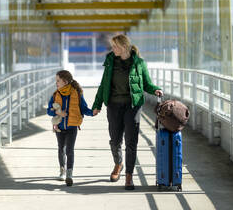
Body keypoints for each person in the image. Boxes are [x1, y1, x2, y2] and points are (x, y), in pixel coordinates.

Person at [92, 34, 163, 190]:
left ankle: (129, 176)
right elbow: (103, 85)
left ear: (123, 47)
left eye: (115, 46)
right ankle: (118, 164)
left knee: (131, 142)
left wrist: (155, 89)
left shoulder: (139, 63)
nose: (113, 49)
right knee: (115, 140)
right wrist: (97, 104)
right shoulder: (111, 61)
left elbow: (147, 84)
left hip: (133, 106)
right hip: (114, 106)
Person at [47, 70, 97, 186]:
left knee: (69, 150)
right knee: (61, 148)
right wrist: (58, 112)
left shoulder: (77, 93)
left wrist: (92, 112)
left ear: (65, 81)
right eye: (56, 81)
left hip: (72, 127)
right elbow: (49, 111)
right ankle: (62, 171)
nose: (56, 83)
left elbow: (83, 108)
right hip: (59, 127)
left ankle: (69, 173)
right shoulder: (56, 94)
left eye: (58, 81)